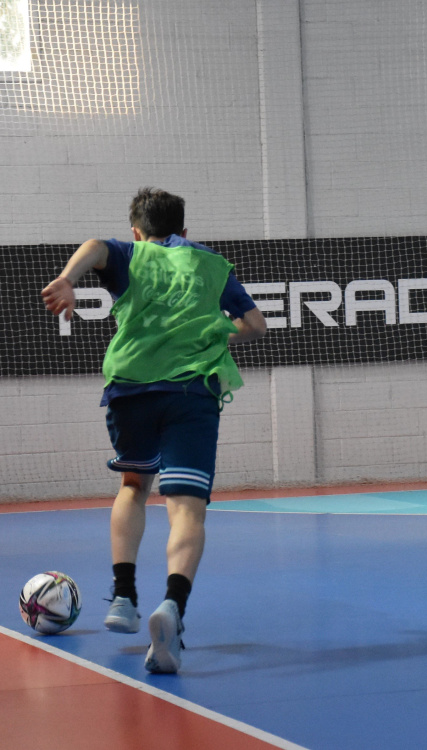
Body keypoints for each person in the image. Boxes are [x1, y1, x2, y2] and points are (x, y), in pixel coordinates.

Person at [41, 187, 267, 673]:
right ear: (185, 230)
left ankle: (124, 598)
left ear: (136, 231)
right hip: (192, 394)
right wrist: (214, 331)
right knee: (186, 508)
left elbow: (94, 247)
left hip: (132, 391)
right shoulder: (211, 265)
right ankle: (173, 606)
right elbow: (255, 324)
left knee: (133, 486)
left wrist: (66, 279)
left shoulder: (130, 255)